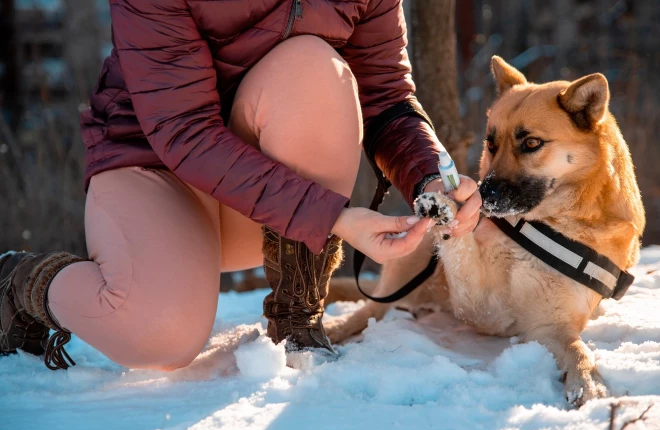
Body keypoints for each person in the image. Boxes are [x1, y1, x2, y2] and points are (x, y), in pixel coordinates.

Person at [0, 0, 482, 371]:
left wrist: (432, 176)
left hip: (265, 202)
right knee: (160, 337)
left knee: (315, 67)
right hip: (154, 165)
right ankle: (18, 284)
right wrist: (330, 216)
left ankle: (298, 315)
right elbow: (183, 129)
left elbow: (386, 96)